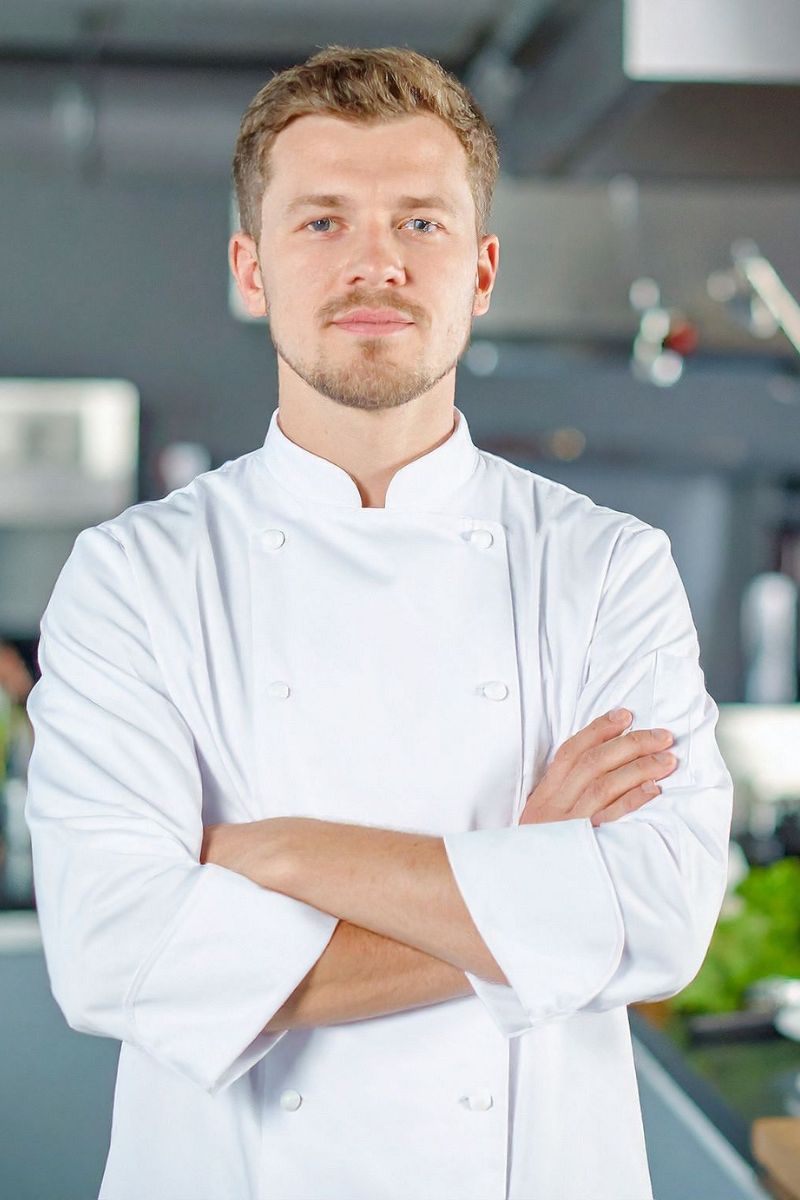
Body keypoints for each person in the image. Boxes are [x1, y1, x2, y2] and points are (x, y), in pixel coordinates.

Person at [24, 45, 733, 1200]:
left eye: (419, 222)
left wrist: (285, 854)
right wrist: (528, 884)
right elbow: (116, 957)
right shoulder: (132, 577)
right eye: (321, 222)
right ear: (250, 270)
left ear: (481, 270)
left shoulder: (604, 567)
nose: (374, 262)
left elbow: (655, 916)